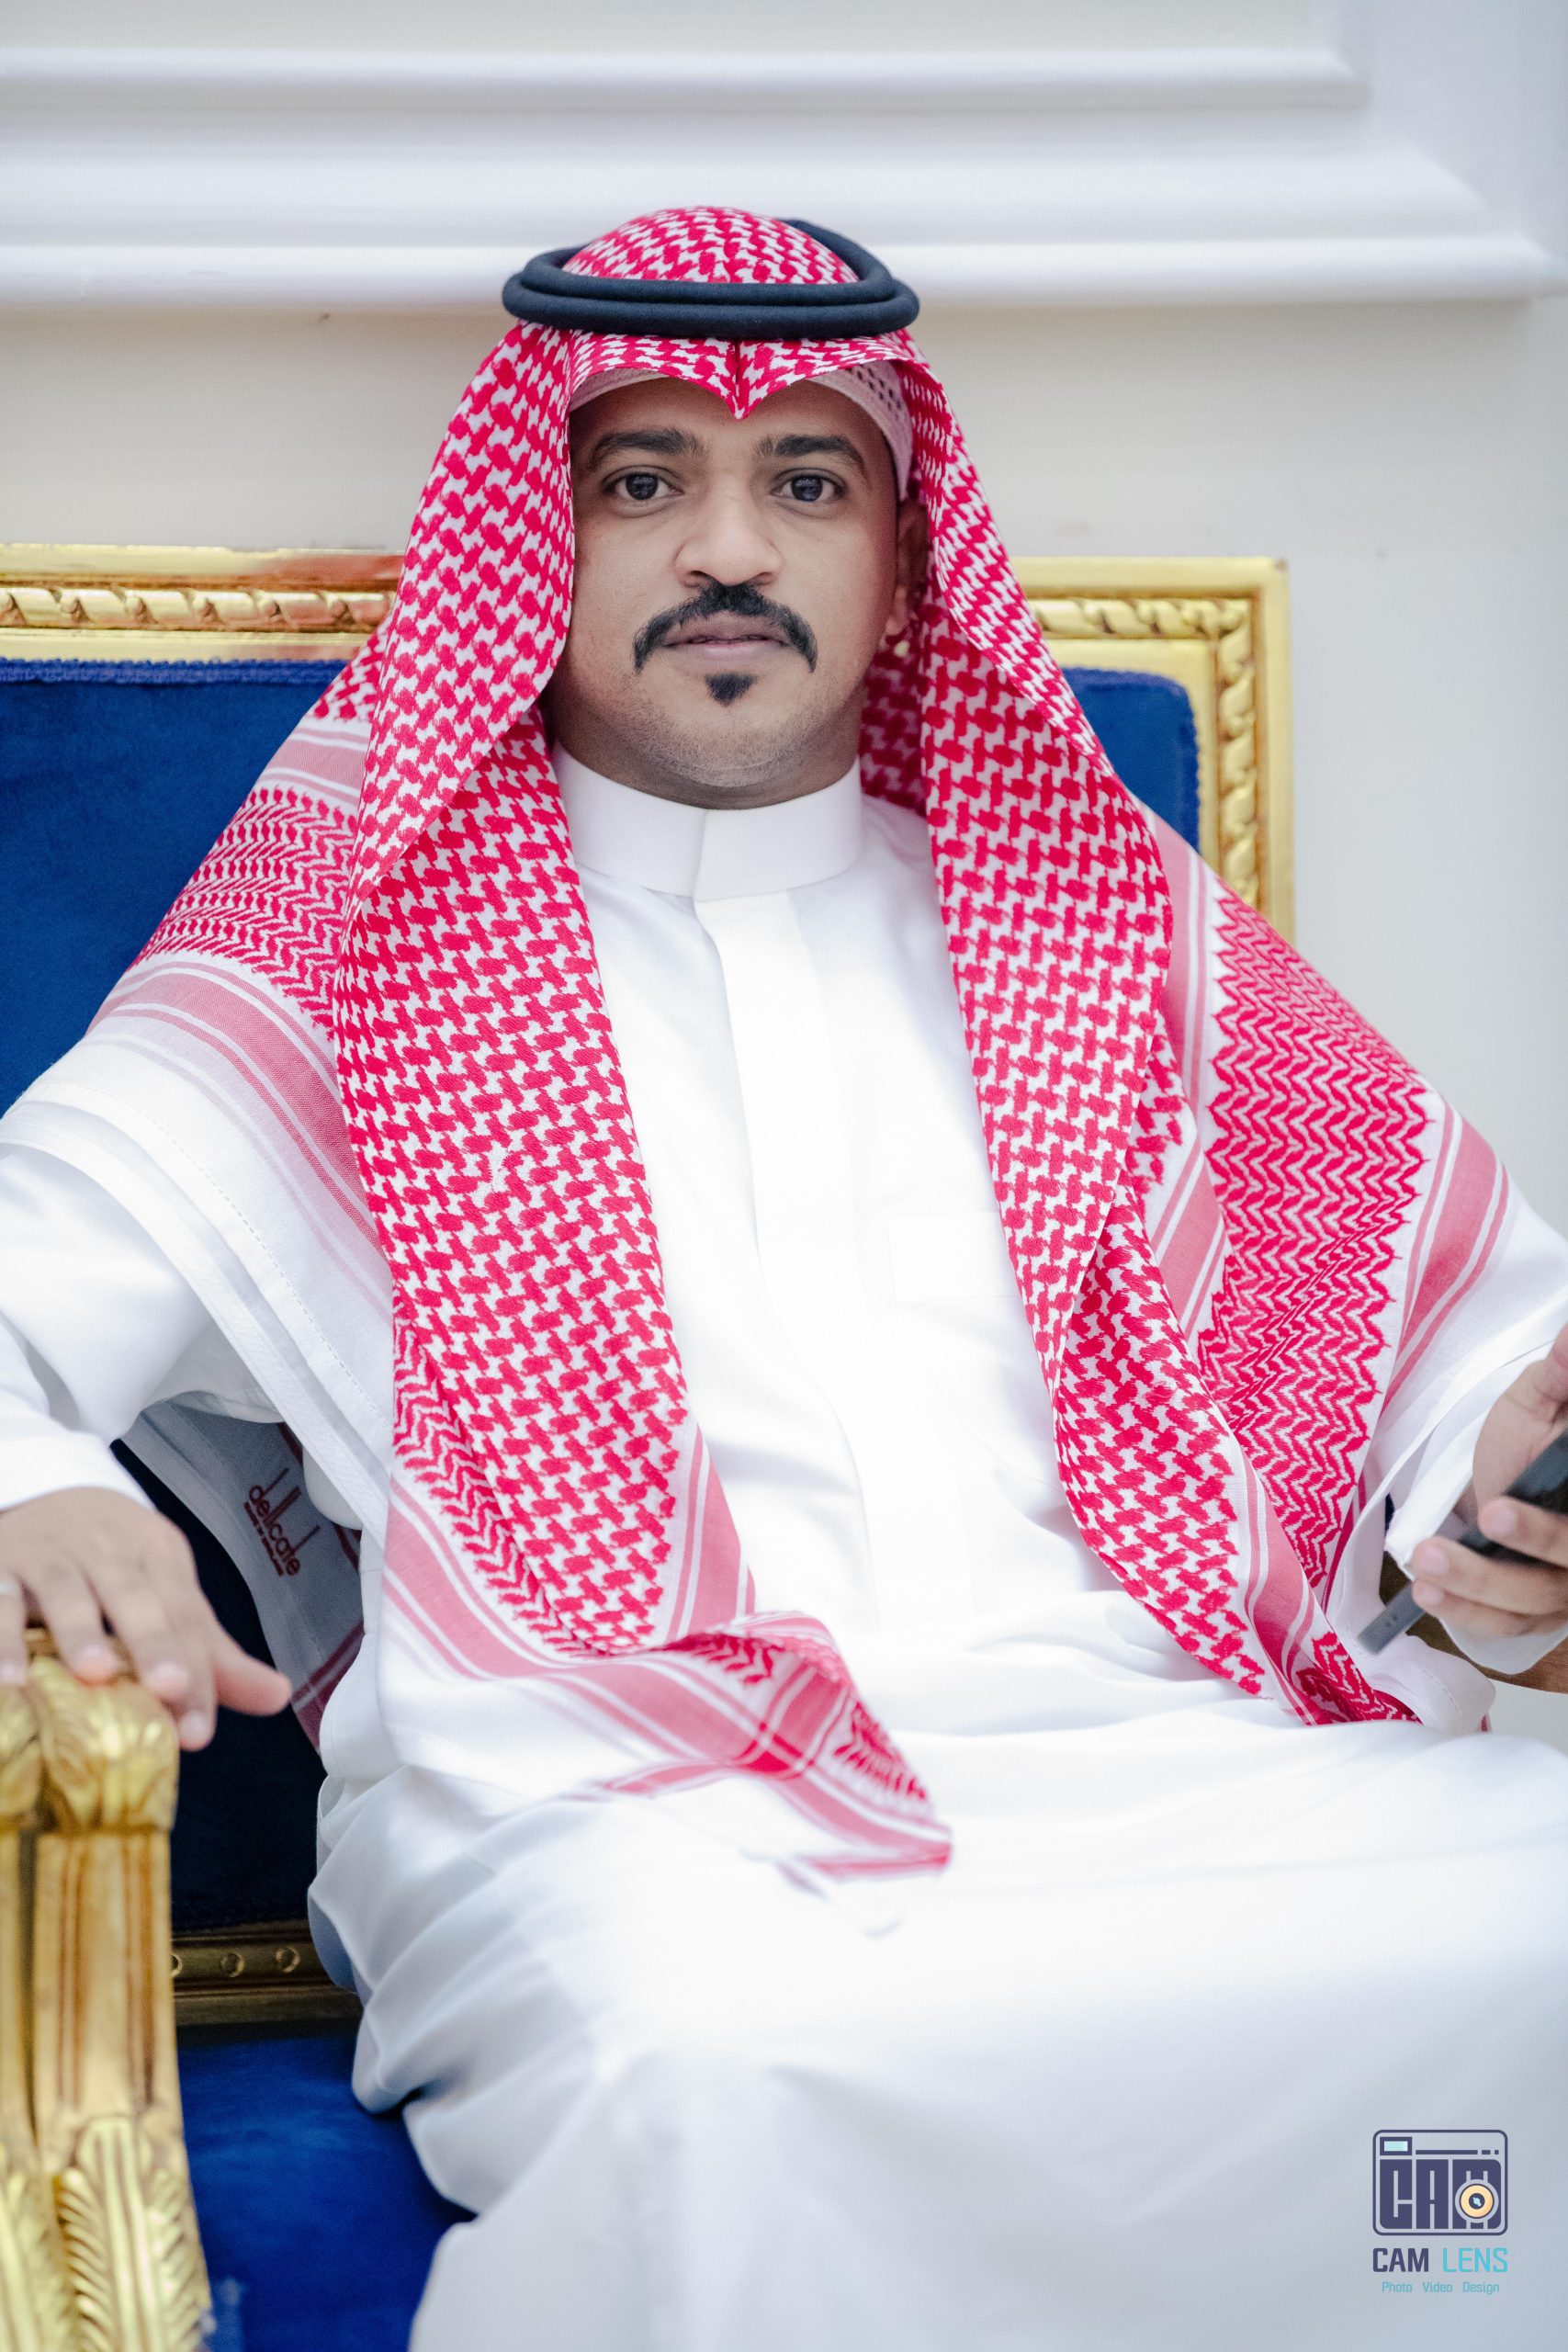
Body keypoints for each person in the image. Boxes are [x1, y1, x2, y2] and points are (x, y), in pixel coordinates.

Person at [2, 209, 1567, 2351]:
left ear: (901, 563)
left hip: (1187, 1761)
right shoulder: (348, 944)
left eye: (807, 482)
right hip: (623, 1804)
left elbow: (1462, 1352)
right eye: (642, 477)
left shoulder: (1090, 914)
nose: (725, 547)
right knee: (724, 2062)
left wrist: (1492, 1500)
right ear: (529, 539)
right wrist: (37, 1477)